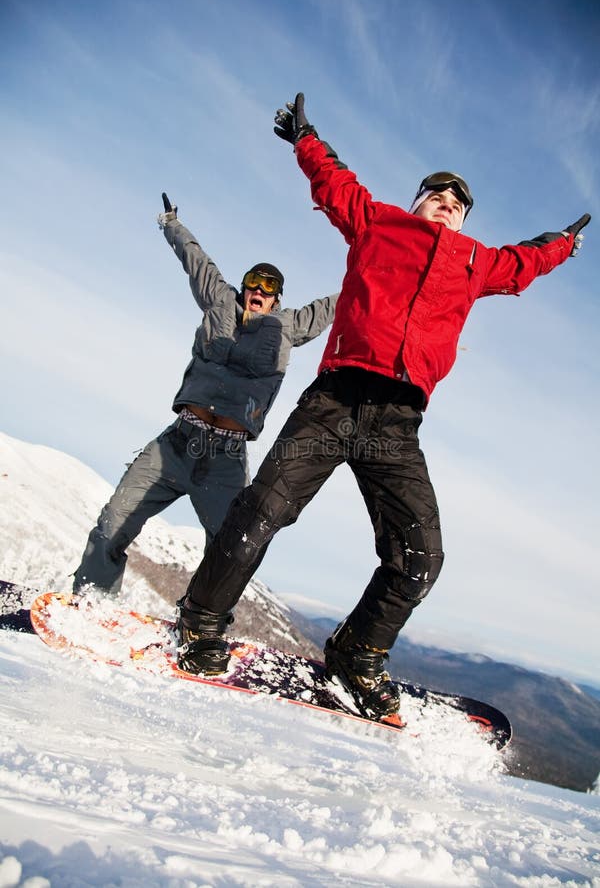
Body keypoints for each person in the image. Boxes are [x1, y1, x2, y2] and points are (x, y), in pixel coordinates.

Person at [175, 94, 591, 719]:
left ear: (462, 219)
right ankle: (201, 622)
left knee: (421, 556)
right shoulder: (378, 222)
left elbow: (528, 259)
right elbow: (334, 180)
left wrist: (563, 241)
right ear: (418, 201)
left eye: (457, 204)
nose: (446, 205)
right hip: (336, 399)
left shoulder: (478, 262)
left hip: (398, 422)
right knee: (261, 511)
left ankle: (358, 651)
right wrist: (306, 138)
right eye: (436, 196)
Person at [73, 192, 338, 596]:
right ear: (245, 286)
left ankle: (198, 627)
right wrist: (171, 223)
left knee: (227, 553)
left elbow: (338, 304)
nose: (259, 290)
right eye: (254, 281)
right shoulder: (219, 300)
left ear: (276, 299)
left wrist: (382, 276)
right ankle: (89, 599)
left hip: (226, 460)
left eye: (269, 287)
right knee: (113, 521)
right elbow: (195, 260)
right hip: (177, 444)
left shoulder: (287, 326)